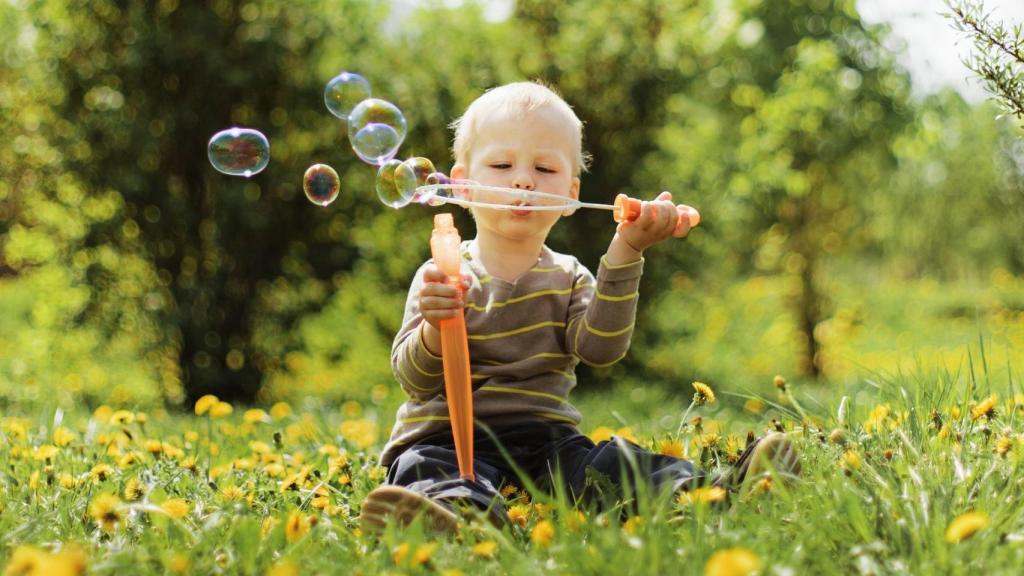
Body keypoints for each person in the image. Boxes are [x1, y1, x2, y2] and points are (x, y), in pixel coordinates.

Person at [359, 81, 799, 533]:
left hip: (546, 443)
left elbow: (601, 351)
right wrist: (435, 327)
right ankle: (454, 515)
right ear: (461, 186)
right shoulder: (440, 275)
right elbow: (416, 382)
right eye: (502, 165)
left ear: (571, 195)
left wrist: (627, 249)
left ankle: (721, 490)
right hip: (447, 440)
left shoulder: (570, 276)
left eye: (544, 168)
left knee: (611, 463)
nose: (524, 180)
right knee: (423, 466)